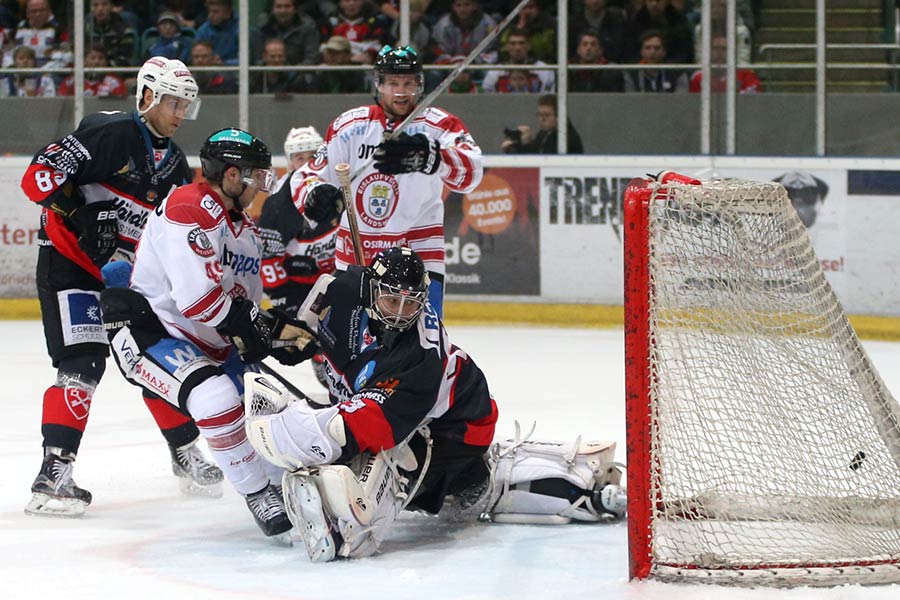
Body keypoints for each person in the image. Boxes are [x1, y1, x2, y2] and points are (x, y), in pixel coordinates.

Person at [242, 247, 628, 561]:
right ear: (370, 290)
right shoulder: (344, 289)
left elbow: (365, 425)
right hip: (410, 408)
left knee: (395, 461)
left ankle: (366, 524)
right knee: (365, 448)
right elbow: (304, 324)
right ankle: (471, 480)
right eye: (391, 300)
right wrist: (280, 335)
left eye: (409, 306)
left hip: (459, 426)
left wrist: (289, 430)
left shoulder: (419, 360)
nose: (397, 314)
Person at [18, 56, 217, 517]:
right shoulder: (110, 133)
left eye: (185, 104)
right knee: (83, 362)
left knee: (156, 356)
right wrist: (77, 210)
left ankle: (185, 452)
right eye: (171, 102)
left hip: (120, 275)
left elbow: (162, 233)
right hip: (69, 266)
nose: (179, 113)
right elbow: (38, 179)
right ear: (146, 96)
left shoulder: (173, 167)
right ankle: (55, 473)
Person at [100, 128, 317, 538]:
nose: (260, 186)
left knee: (274, 410)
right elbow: (197, 301)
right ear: (232, 175)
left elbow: (243, 312)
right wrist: (265, 327)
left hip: (208, 343)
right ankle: (257, 493)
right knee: (215, 398)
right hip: (150, 333)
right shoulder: (190, 206)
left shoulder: (247, 233)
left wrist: (272, 340)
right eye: (256, 175)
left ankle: (282, 481)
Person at [290, 44, 484, 317]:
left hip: (420, 253)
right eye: (393, 83)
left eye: (408, 83)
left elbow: (472, 173)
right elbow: (307, 175)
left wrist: (431, 157)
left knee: (422, 344)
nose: (401, 92)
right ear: (379, 84)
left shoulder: (440, 126)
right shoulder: (349, 127)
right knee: (351, 344)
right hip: (358, 253)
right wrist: (314, 193)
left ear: (421, 84)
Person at [256, 126, 335, 389]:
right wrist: (284, 302)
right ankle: (322, 356)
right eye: (300, 158)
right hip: (299, 287)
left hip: (337, 275)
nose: (306, 164)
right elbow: (268, 260)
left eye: (313, 156)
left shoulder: (335, 188)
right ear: (290, 161)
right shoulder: (278, 205)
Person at [501, 93, 584, 154]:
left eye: (546, 115)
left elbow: (539, 160)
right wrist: (519, 145)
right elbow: (533, 154)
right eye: (539, 115)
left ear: (559, 116)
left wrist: (526, 145)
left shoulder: (566, 138)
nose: (541, 119)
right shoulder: (544, 133)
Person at [624, 30, 689, 93]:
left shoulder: (677, 73)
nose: (652, 52)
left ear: (664, 52)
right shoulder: (631, 73)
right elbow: (631, 102)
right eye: (647, 48)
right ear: (641, 52)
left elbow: (681, 102)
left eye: (657, 48)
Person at [57, 45, 128, 97]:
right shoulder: (71, 81)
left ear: (106, 62)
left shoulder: (114, 82)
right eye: (93, 58)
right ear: (84, 61)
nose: (97, 61)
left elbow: (121, 102)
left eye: (101, 58)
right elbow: (60, 100)